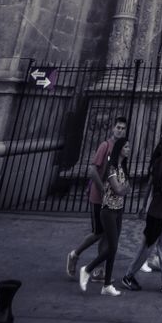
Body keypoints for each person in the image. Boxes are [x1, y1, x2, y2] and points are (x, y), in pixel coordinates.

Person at [120, 132, 162, 293]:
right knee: (147, 246)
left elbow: (149, 185)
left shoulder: (156, 162)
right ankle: (128, 276)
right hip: (160, 212)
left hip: (159, 211)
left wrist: (143, 206)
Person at [67, 116, 127, 280]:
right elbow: (92, 171)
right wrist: (103, 190)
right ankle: (75, 254)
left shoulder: (120, 149)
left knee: (107, 235)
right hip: (99, 198)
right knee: (99, 233)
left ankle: (99, 271)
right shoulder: (105, 146)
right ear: (112, 128)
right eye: (118, 127)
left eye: (123, 128)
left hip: (112, 199)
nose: (120, 130)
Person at [79, 137, 130, 296]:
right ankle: (87, 269)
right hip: (108, 210)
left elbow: (125, 188)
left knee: (113, 249)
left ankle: (107, 285)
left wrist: (124, 189)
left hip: (119, 210)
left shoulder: (122, 167)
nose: (129, 149)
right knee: (112, 247)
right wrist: (123, 189)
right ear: (120, 149)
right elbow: (119, 189)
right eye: (126, 147)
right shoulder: (112, 167)